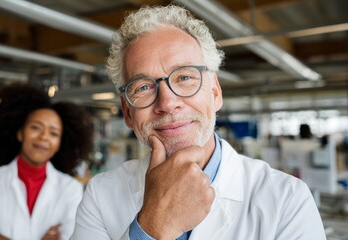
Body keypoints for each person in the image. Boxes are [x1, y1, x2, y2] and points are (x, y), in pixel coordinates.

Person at [72, 5, 326, 240]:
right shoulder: (101, 195)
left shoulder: (287, 200)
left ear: (215, 92)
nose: (168, 103)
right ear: (127, 112)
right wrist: (153, 226)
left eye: (184, 77)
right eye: (144, 86)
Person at [0, 83, 94, 240]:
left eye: (53, 133)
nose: (44, 137)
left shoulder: (70, 189)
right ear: (20, 133)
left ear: (60, 144)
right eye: (35, 127)